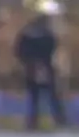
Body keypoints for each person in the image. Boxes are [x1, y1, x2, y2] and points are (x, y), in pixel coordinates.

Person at [14, 0, 66, 130]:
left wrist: (27, 62)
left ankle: (33, 121)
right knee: (49, 96)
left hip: (33, 67)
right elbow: (52, 48)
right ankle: (58, 119)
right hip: (43, 66)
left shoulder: (26, 35)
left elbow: (19, 51)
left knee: (36, 97)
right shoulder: (46, 35)